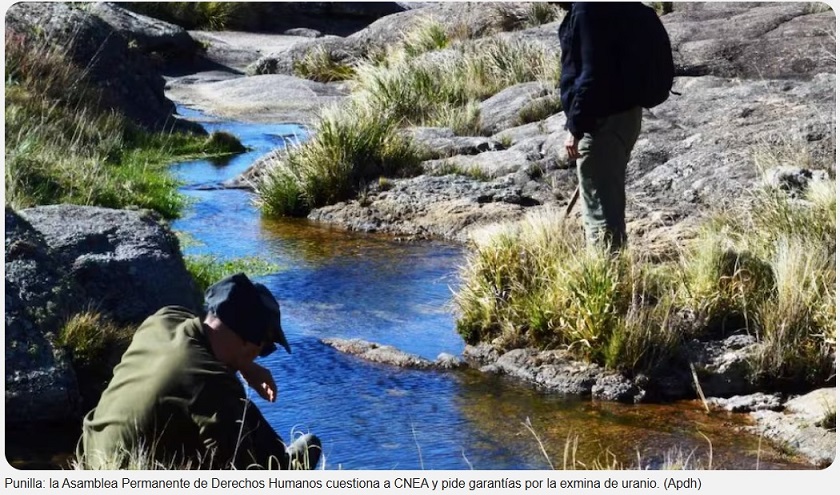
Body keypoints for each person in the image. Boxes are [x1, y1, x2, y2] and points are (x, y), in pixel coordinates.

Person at [77, 272, 321, 470]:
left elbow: (211, 341)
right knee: (236, 412)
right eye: (265, 348)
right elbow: (243, 469)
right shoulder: (212, 383)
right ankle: (286, 472)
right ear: (252, 341)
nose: (261, 354)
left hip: (93, 456)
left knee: (232, 407)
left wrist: (246, 365)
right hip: (133, 472)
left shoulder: (163, 320)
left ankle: (284, 463)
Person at [558, 2, 646, 251]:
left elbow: (591, 75)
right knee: (609, 203)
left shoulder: (588, 9)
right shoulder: (610, 6)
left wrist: (575, 128)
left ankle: (605, 282)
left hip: (602, 124)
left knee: (599, 215)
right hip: (625, 115)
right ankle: (616, 272)